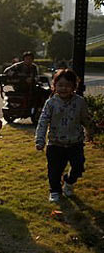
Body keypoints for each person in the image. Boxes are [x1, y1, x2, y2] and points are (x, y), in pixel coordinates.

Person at [35, 69, 93, 202]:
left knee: (78, 166)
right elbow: (43, 122)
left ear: (74, 87)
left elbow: (86, 118)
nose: (63, 88)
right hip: (55, 144)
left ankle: (69, 181)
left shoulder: (80, 102)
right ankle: (55, 190)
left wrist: (90, 131)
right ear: (54, 86)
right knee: (54, 170)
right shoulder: (51, 103)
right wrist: (40, 140)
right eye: (60, 85)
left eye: (67, 85)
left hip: (75, 143)